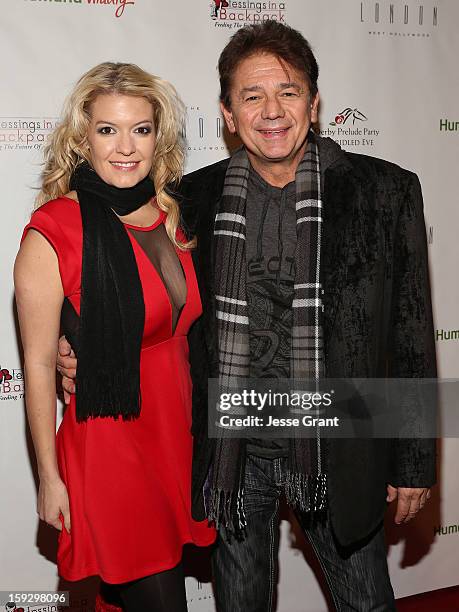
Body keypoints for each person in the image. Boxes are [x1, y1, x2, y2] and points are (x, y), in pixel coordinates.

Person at [59, 22, 436, 612]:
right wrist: (74, 344)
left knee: (368, 604)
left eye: (288, 91)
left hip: (337, 445)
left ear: (314, 103)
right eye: (251, 96)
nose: (272, 111)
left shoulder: (384, 192)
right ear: (228, 114)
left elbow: (410, 334)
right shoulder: (187, 200)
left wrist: (413, 458)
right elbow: (119, 279)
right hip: (233, 449)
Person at [14, 62, 215, 612]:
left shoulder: (175, 216)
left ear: (159, 136)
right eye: (107, 130)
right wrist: (49, 479)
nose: (125, 147)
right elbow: (35, 365)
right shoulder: (54, 230)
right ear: (83, 138)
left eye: (141, 129)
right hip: (111, 448)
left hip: (176, 437)